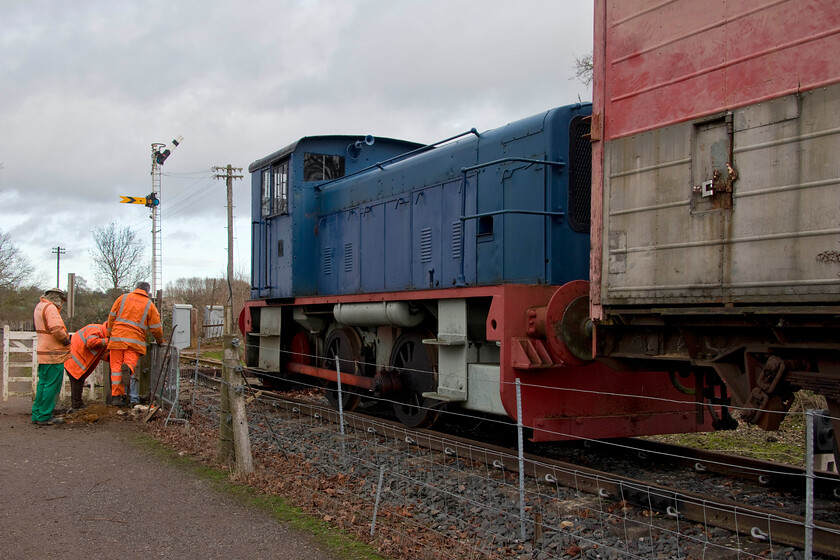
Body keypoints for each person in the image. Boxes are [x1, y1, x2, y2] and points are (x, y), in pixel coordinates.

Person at [106, 281, 165, 406]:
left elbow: (111, 317)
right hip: (134, 340)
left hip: (117, 338)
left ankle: (116, 396)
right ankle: (128, 369)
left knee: (115, 369)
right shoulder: (149, 305)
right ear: (147, 292)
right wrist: (160, 341)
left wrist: (109, 335)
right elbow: (156, 327)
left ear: (136, 288)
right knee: (129, 364)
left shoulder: (122, 298)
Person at [32, 288, 71, 425]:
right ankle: (45, 415)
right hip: (53, 353)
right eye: (61, 301)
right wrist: (66, 339)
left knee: (42, 383)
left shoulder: (40, 306)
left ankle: (37, 413)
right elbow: (56, 328)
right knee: (52, 385)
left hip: (43, 352)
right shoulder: (51, 308)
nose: (61, 304)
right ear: (57, 298)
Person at [64, 322, 109, 411]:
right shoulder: (97, 330)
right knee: (77, 382)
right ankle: (76, 406)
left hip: (74, 359)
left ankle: (77, 405)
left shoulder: (99, 331)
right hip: (74, 360)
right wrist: (109, 341)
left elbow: (102, 355)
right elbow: (91, 342)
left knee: (77, 382)